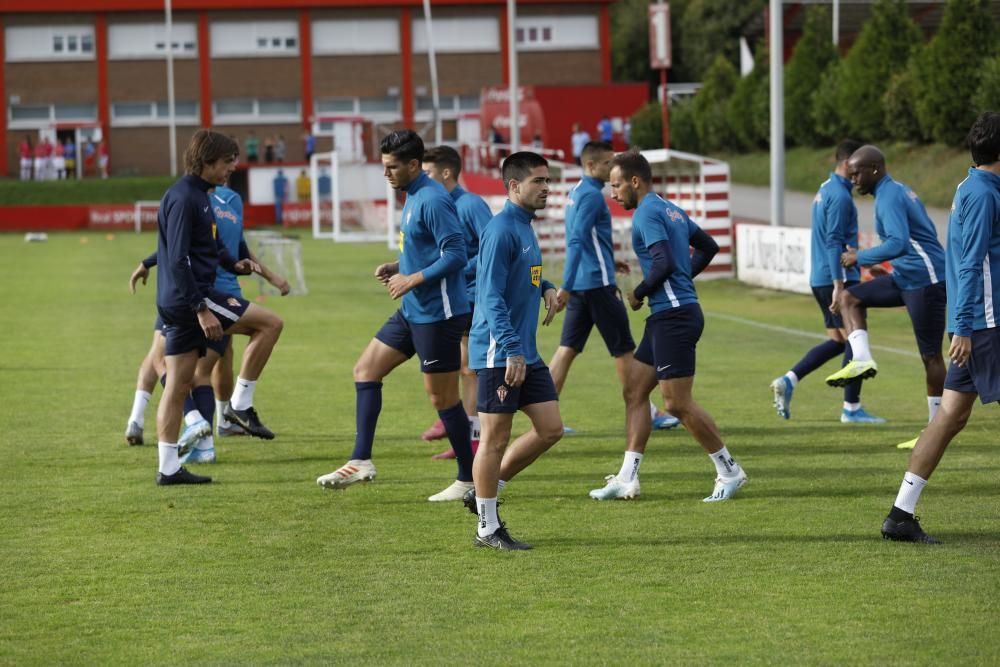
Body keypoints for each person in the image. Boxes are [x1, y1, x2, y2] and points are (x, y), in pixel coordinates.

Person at [316, 129, 475, 502]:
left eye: (391, 168)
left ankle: (469, 478)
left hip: (439, 315)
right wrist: (397, 265)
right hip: (413, 309)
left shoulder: (433, 200)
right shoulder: (413, 195)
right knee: (365, 370)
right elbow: (425, 250)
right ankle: (361, 461)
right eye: (384, 167)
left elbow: (456, 255)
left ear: (414, 165)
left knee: (443, 400)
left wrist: (412, 278)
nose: (386, 174)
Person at [589, 150, 748, 502]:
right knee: (634, 391)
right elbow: (708, 246)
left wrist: (639, 293)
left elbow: (662, 263)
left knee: (676, 403)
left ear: (635, 181)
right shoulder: (669, 208)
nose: (612, 194)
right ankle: (627, 478)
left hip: (674, 316)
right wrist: (680, 279)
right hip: (670, 313)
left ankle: (729, 469)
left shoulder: (647, 213)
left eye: (616, 186)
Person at [880, 112, 1000, 544]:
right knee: (950, 417)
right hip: (986, 323)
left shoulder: (971, 186)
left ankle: (900, 513)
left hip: (973, 323)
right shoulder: (985, 193)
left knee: (950, 416)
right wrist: (965, 326)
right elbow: (969, 263)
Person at [153, 129, 282, 485]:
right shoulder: (184, 198)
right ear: (207, 161)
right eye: (227, 162)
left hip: (184, 299)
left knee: (178, 385)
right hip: (191, 299)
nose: (232, 168)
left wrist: (234, 264)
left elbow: (208, 247)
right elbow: (178, 260)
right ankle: (238, 406)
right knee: (270, 323)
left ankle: (168, 469)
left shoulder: (201, 195)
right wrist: (200, 308)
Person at [128, 185, 290, 456]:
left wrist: (270, 276)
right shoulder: (195, 197)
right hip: (193, 293)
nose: (231, 168)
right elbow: (187, 247)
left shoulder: (221, 199)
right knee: (186, 363)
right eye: (228, 161)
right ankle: (205, 428)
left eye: (232, 161)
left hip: (202, 295)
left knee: (172, 363)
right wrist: (148, 262)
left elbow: (229, 247)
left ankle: (199, 429)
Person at [463, 151, 563, 550]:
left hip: (525, 350)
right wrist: (510, 349)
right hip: (499, 353)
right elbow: (489, 295)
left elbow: (524, 274)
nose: (546, 188)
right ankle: (487, 528)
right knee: (494, 440)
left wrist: (547, 286)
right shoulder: (502, 228)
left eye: (548, 181)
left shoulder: (524, 226)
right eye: (538, 181)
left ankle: (487, 490)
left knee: (551, 428)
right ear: (514, 186)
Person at [548, 140, 679, 434]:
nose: (612, 169)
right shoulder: (594, 197)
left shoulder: (576, 193)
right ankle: (649, 410)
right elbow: (579, 239)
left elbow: (587, 239)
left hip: (586, 281)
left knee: (566, 350)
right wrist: (566, 286)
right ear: (591, 165)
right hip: (597, 285)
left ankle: (545, 414)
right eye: (608, 163)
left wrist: (610, 259)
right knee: (625, 351)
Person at [826, 145, 947, 431]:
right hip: (907, 276)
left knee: (931, 355)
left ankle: (935, 430)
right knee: (849, 297)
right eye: (851, 174)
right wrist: (880, 267)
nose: (853, 179)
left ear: (875, 169)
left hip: (926, 280)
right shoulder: (894, 190)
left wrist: (860, 257)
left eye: (857, 174)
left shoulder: (889, 196)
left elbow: (899, 243)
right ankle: (862, 359)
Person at [769, 140, 885, 424]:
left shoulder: (824, 189)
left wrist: (866, 264)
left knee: (837, 340)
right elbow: (834, 241)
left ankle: (790, 379)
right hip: (837, 278)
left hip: (820, 276)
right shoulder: (841, 197)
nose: (860, 174)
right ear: (848, 164)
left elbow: (838, 240)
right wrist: (839, 284)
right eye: (857, 167)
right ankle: (852, 409)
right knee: (857, 340)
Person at [417, 145, 494, 460]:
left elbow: (491, 247)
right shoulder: (440, 205)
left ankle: (472, 440)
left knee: (471, 370)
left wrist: (458, 268)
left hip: (475, 296)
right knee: (462, 368)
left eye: (429, 173)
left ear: (446, 173)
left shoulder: (470, 204)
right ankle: (457, 426)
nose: (424, 178)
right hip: (454, 299)